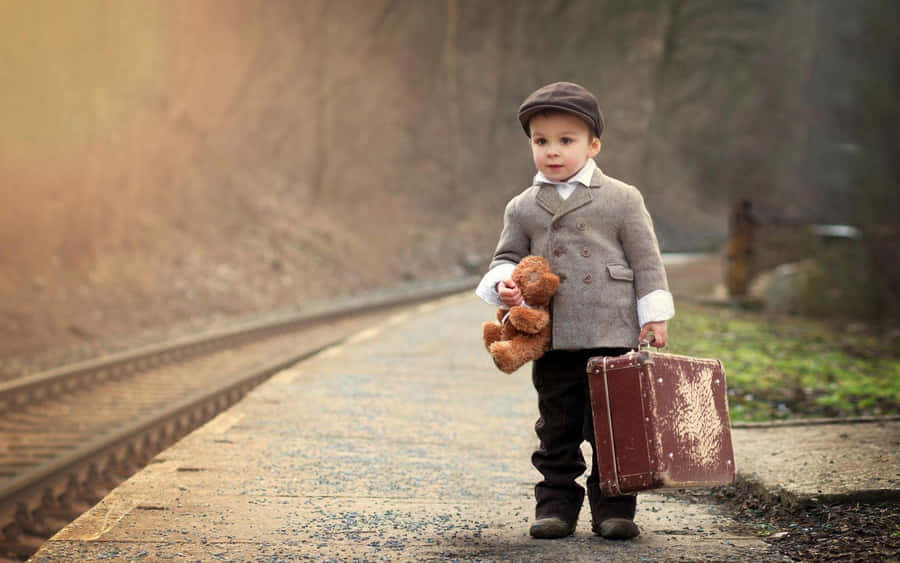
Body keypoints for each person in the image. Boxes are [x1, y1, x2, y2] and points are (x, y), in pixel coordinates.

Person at [475, 82, 674, 540]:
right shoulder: (522, 206)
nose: (552, 151)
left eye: (566, 140)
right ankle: (556, 505)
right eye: (541, 141)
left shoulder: (623, 198)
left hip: (613, 329)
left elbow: (647, 260)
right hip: (555, 337)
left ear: (593, 145)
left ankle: (615, 508)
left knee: (613, 426)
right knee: (557, 424)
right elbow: (504, 257)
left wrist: (654, 316)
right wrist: (504, 284)